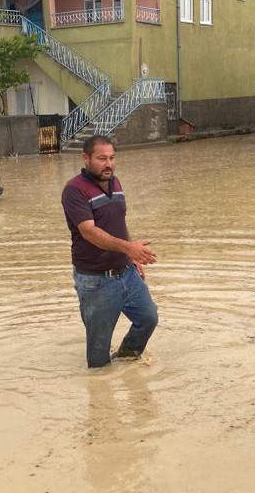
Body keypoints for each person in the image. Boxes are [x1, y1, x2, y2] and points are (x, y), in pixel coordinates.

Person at [61, 135, 159, 368]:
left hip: (126, 271)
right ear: (86, 158)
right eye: (101, 158)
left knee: (148, 318)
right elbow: (89, 232)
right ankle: (99, 396)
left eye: (112, 158)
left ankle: (126, 360)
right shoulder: (74, 190)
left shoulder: (116, 184)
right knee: (98, 353)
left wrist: (131, 255)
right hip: (96, 280)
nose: (109, 164)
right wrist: (129, 248)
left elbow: (119, 222)